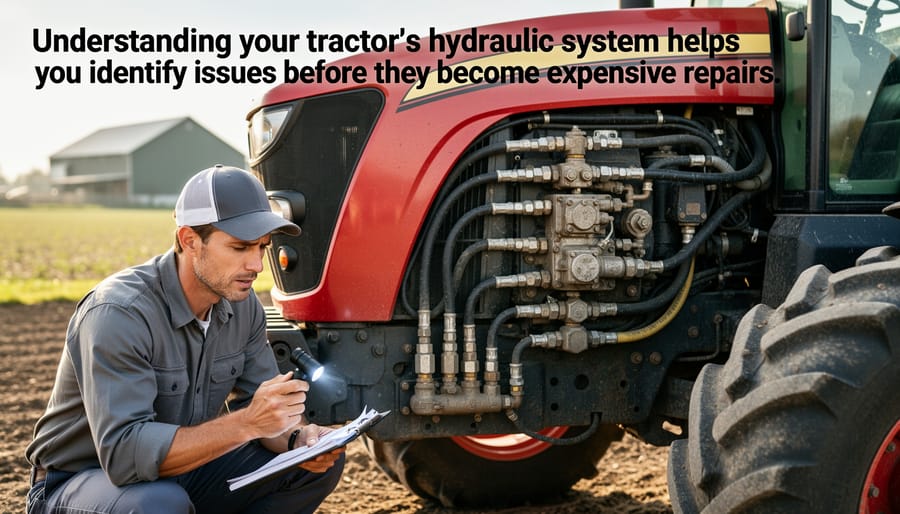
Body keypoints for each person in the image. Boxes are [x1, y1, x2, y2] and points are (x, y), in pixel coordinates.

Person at [25, 164, 345, 514]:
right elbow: (123, 456)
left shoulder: (244, 307)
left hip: (183, 471)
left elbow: (263, 414)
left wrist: (298, 440)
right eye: (240, 247)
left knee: (304, 467)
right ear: (189, 240)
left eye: (262, 247)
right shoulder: (118, 313)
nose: (256, 264)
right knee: (159, 504)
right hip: (82, 482)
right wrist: (246, 423)